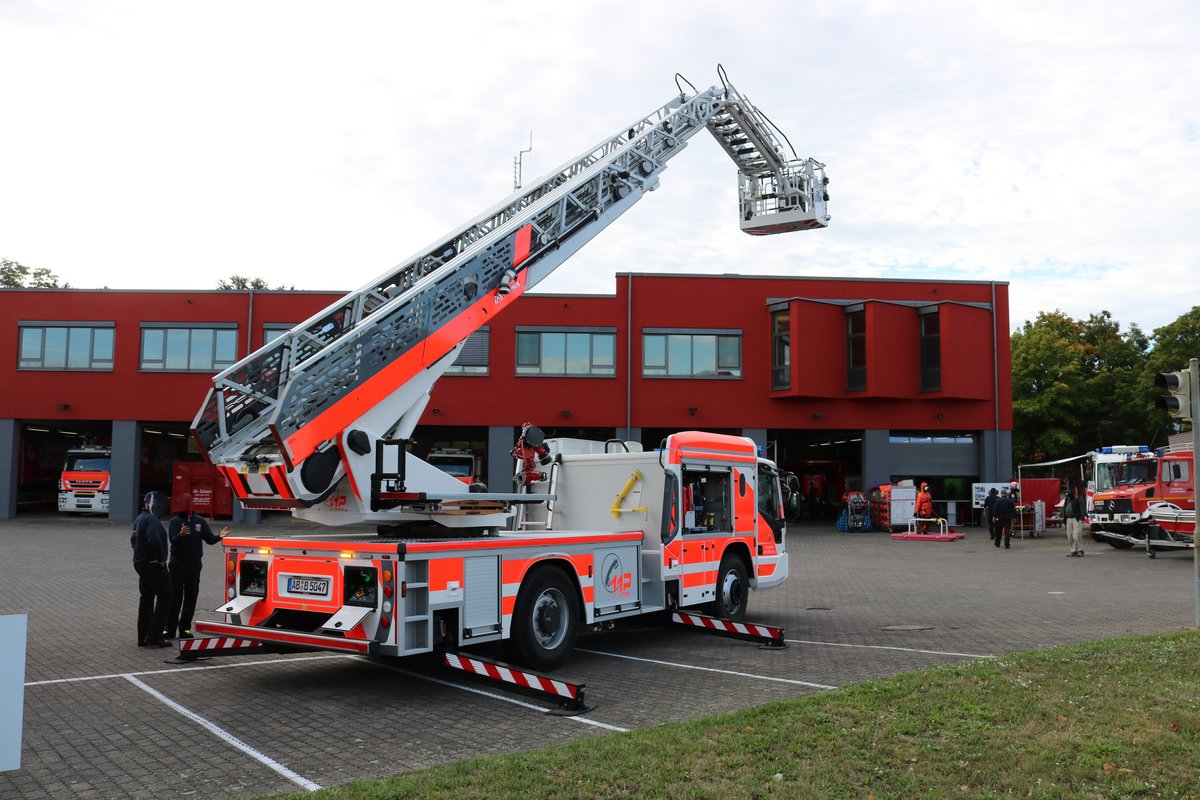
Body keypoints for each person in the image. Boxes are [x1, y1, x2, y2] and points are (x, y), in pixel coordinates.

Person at [166, 493, 229, 639]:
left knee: (191, 596)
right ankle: (169, 629)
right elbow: (173, 540)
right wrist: (180, 535)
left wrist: (219, 536)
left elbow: (209, 539)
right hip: (177, 563)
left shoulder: (199, 521)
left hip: (194, 564)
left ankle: (185, 629)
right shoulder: (175, 521)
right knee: (176, 597)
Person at [131, 491, 172, 647]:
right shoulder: (152, 519)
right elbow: (154, 539)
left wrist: (139, 554)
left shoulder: (139, 518)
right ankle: (154, 636)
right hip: (152, 564)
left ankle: (143, 637)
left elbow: (133, 540)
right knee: (166, 596)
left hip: (141, 563)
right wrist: (160, 559)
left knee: (146, 598)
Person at [1062, 484, 1086, 557]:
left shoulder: (1079, 497)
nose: (1067, 496)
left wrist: (1082, 517)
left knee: (1076, 535)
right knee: (1070, 536)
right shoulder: (1067, 499)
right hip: (1068, 519)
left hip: (1076, 518)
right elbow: (1064, 508)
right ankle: (1073, 550)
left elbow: (1082, 507)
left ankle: (1080, 550)